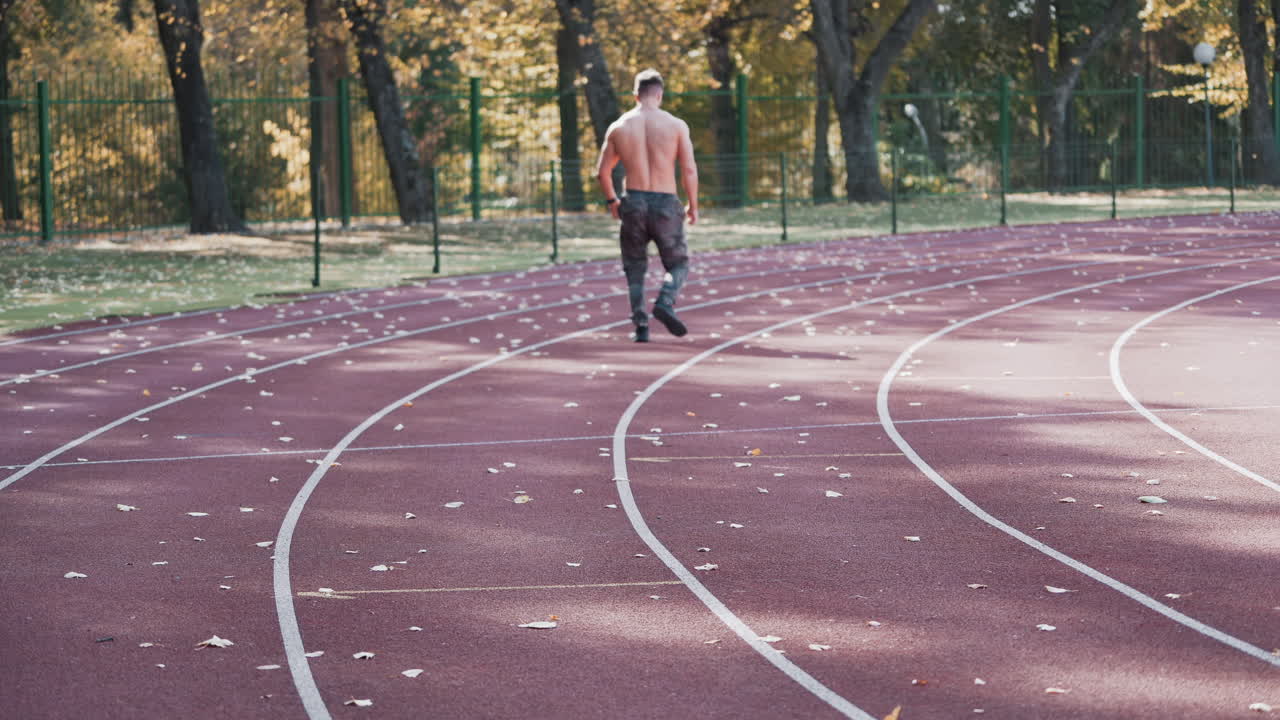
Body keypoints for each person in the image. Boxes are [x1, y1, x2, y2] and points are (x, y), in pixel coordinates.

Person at [596, 68, 699, 342]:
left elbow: (602, 172)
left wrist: (612, 201)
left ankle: (641, 327)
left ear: (635, 95)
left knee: (635, 267)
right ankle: (665, 301)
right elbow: (689, 170)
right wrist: (693, 205)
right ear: (660, 95)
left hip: (634, 201)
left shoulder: (619, 127)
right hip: (665, 202)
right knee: (678, 264)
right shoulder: (676, 125)